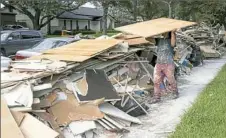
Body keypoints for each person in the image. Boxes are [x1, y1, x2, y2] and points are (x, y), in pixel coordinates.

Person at [152, 29, 179, 103]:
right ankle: (157, 97)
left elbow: (173, 44)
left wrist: (173, 33)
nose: (163, 32)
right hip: (159, 63)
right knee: (156, 81)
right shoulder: (158, 40)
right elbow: (150, 40)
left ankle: (175, 92)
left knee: (171, 80)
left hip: (168, 63)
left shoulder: (171, 39)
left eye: (165, 31)